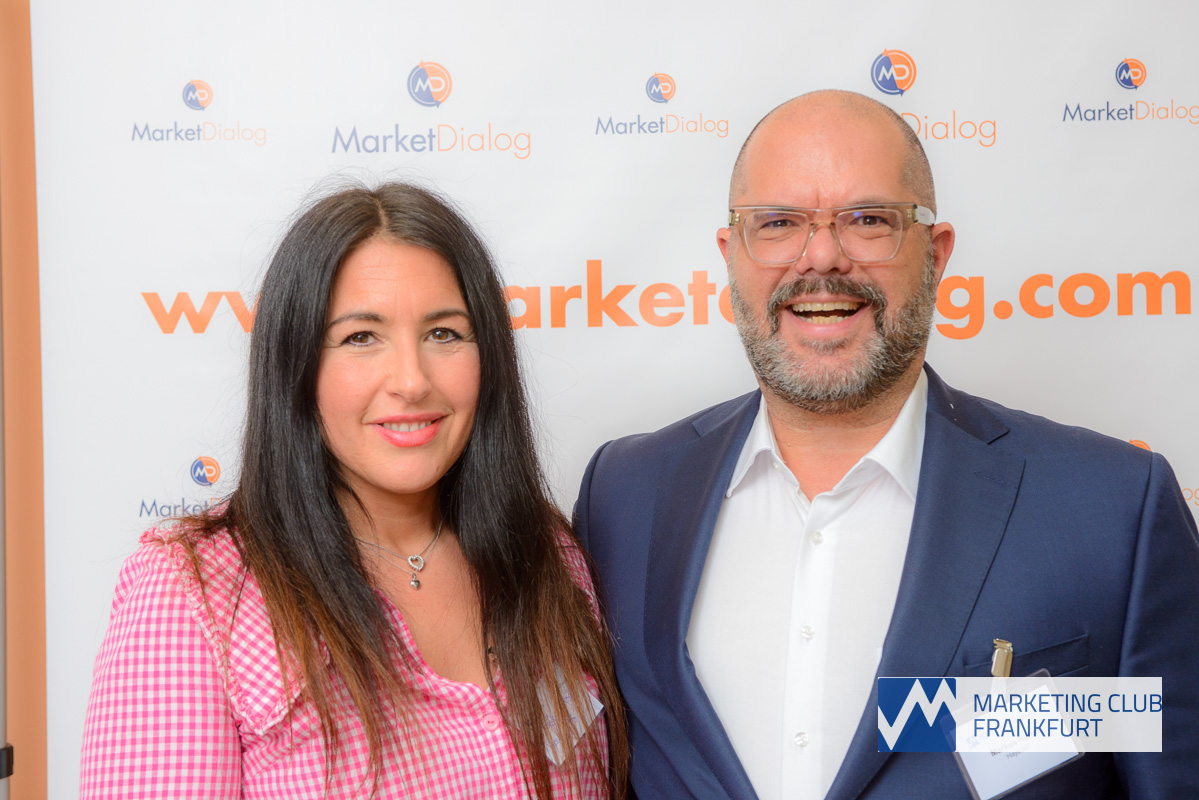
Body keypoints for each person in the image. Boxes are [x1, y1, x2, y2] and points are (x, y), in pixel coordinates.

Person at [573, 90, 1199, 799]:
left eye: (868, 220)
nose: (821, 257)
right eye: (777, 223)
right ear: (731, 255)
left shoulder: (1112, 509)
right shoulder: (623, 495)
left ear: (935, 254)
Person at [81, 182, 628, 799]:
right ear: (296, 365)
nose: (412, 381)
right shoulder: (197, 591)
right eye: (361, 338)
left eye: (444, 333)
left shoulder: (549, 552)